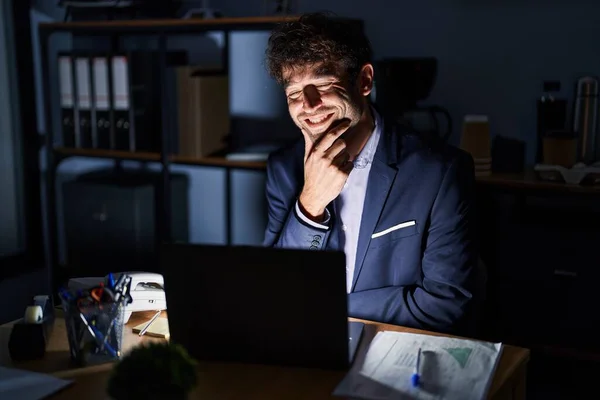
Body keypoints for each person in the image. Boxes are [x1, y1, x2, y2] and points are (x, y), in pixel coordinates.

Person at [262, 12, 483, 336]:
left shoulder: (440, 171)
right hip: (306, 344)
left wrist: (330, 309)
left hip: (398, 349)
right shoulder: (283, 168)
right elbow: (276, 289)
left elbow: (444, 304)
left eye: (323, 85)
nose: (308, 105)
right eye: (294, 94)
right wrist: (310, 203)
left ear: (364, 81)